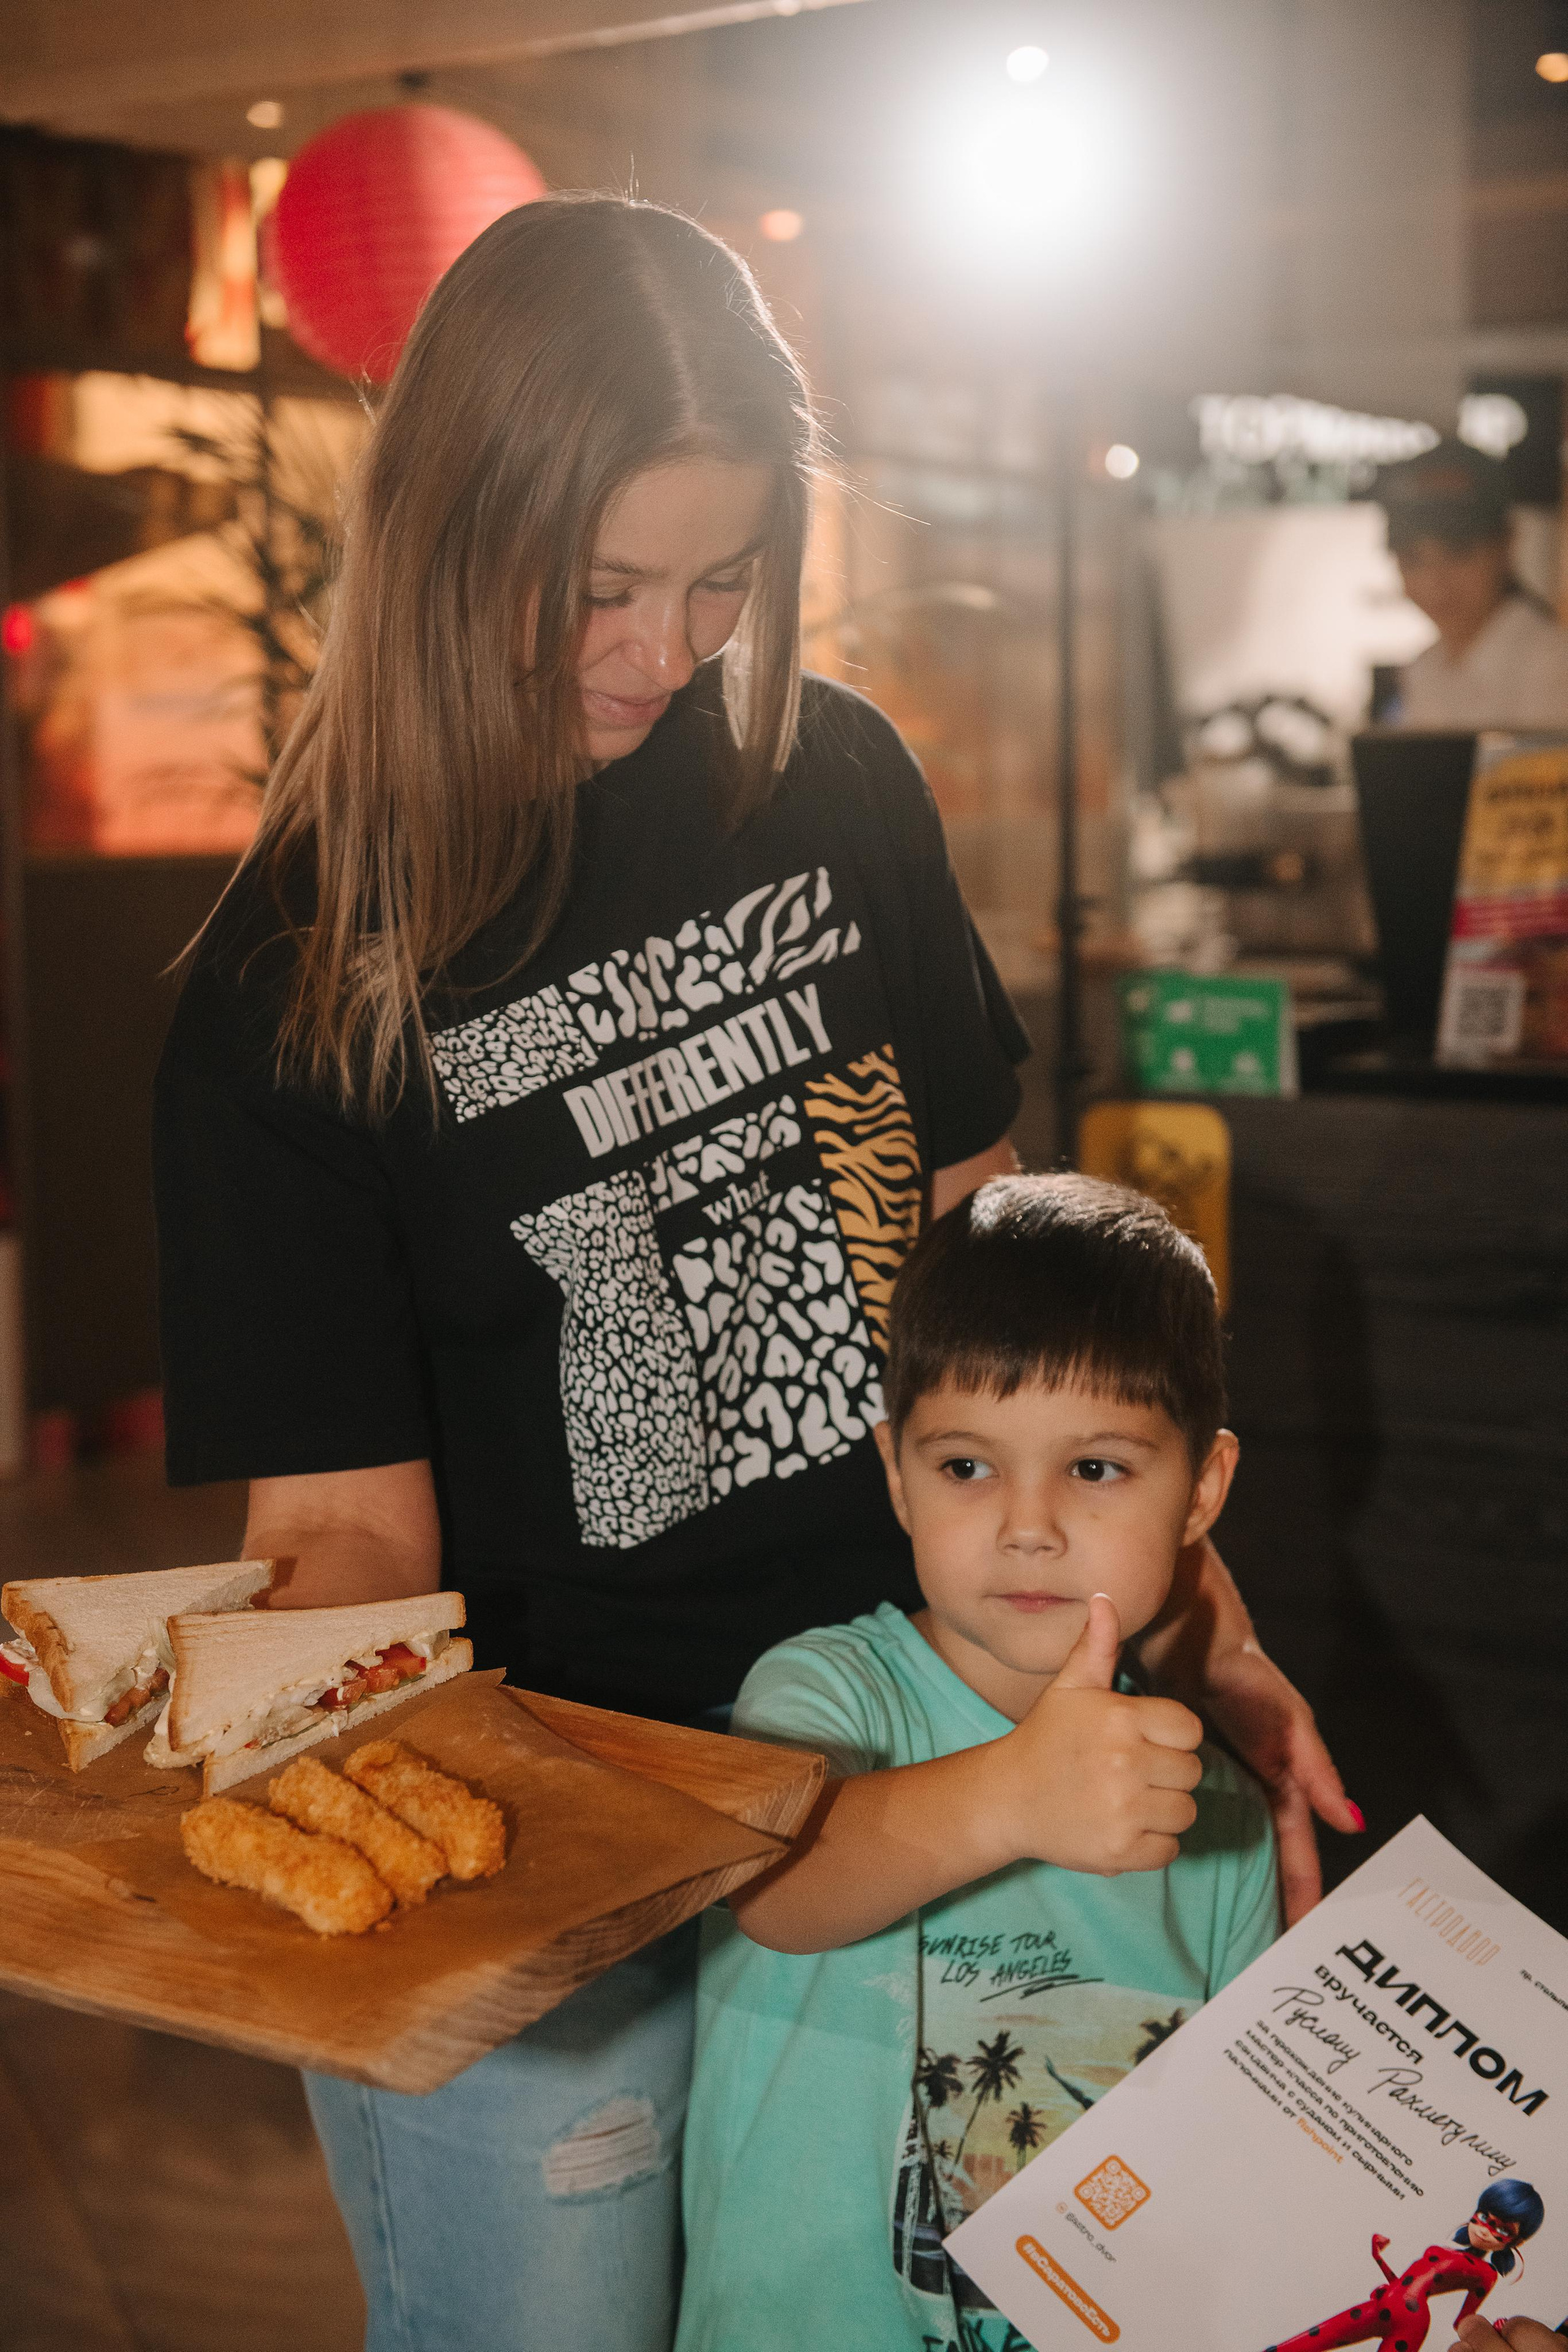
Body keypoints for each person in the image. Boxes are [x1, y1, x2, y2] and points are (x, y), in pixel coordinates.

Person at [153, 197, 1354, 2352]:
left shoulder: (830, 776)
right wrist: (323, 1812)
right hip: (576, 1878)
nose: (657, 650)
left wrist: (1177, 1615)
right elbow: (338, 1531)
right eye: (598, 586)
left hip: (920, 1757)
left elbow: (997, 1268)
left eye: (718, 582)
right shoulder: (291, 981)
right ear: (447, 526)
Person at [676, 1174, 1283, 2352]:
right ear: (895, 1470)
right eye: (967, 1467)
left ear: (1202, 1489)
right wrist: (1015, 1795)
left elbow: (1232, 2153)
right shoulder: (825, 1694)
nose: (1027, 1523)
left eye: (1096, 1468)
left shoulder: (1220, 1817)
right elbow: (776, 1889)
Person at [1380, 440, 1568, 730]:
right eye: (1412, 560)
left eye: (1457, 553)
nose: (1435, 582)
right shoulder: (1425, 670)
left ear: (1507, 544)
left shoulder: (1553, 668)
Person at [1265, 2178, 1545, 2351]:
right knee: (1313, 2339)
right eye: (1485, 2217)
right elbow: (1409, 2282)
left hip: (1410, 2322)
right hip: (1385, 2303)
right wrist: (1378, 2256)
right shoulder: (1445, 2250)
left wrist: (1497, 2330)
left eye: (1502, 2230)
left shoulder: (1486, 2273)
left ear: (1516, 2242)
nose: (1486, 2231)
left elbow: (1463, 2321)